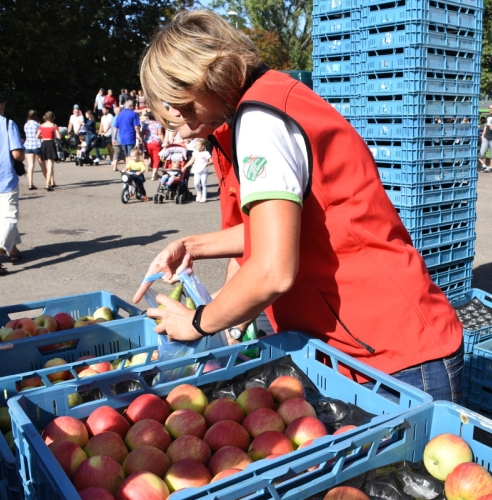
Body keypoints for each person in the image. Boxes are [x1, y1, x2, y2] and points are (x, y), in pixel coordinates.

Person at [134, 10, 464, 402]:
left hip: (392, 353)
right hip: (358, 348)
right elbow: (279, 229)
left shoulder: (260, 122)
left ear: (210, 76)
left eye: (180, 102)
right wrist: (194, 246)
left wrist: (197, 323)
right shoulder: (259, 107)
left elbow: (272, 269)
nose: (174, 118)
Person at [0, 92, 25, 274]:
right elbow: (17, 154)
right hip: (5, 178)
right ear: (2, 104)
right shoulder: (8, 124)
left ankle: (13, 250)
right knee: (9, 217)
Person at [37, 111, 60, 190]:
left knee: (47, 163)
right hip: (51, 143)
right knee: (50, 165)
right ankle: (48, 184)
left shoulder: (41, 126)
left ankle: (50, 182)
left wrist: (43, 137)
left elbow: (37, 136)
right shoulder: (54, 125)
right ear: (53, 117)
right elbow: (59, 136)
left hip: (44, 144)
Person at [24, 110, 46, 190]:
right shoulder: (37, 124)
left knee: (30, 166)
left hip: (28, 145)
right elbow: (40, 135)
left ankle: (30, 184)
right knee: (42, 165)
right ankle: (47, 182)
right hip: (36, 145)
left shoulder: (26, 125)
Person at [142, 111, 164, 180]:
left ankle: (156, 173)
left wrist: (142, 141)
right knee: (156, 158)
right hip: (156, 142)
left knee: (152, 157)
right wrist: (164, 142)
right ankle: (153, 174)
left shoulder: (145, 124)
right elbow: (160, 134)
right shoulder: (158, 124)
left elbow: (143, 133)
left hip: (147, 142)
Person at [110, 106, 125, 172]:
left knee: (116, 152)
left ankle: (114, 166)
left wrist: (113, 138)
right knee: (126, 153)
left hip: (114, 138)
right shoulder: (121, 119)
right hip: (121, 138)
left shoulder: (113, 119)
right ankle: (127, 166)